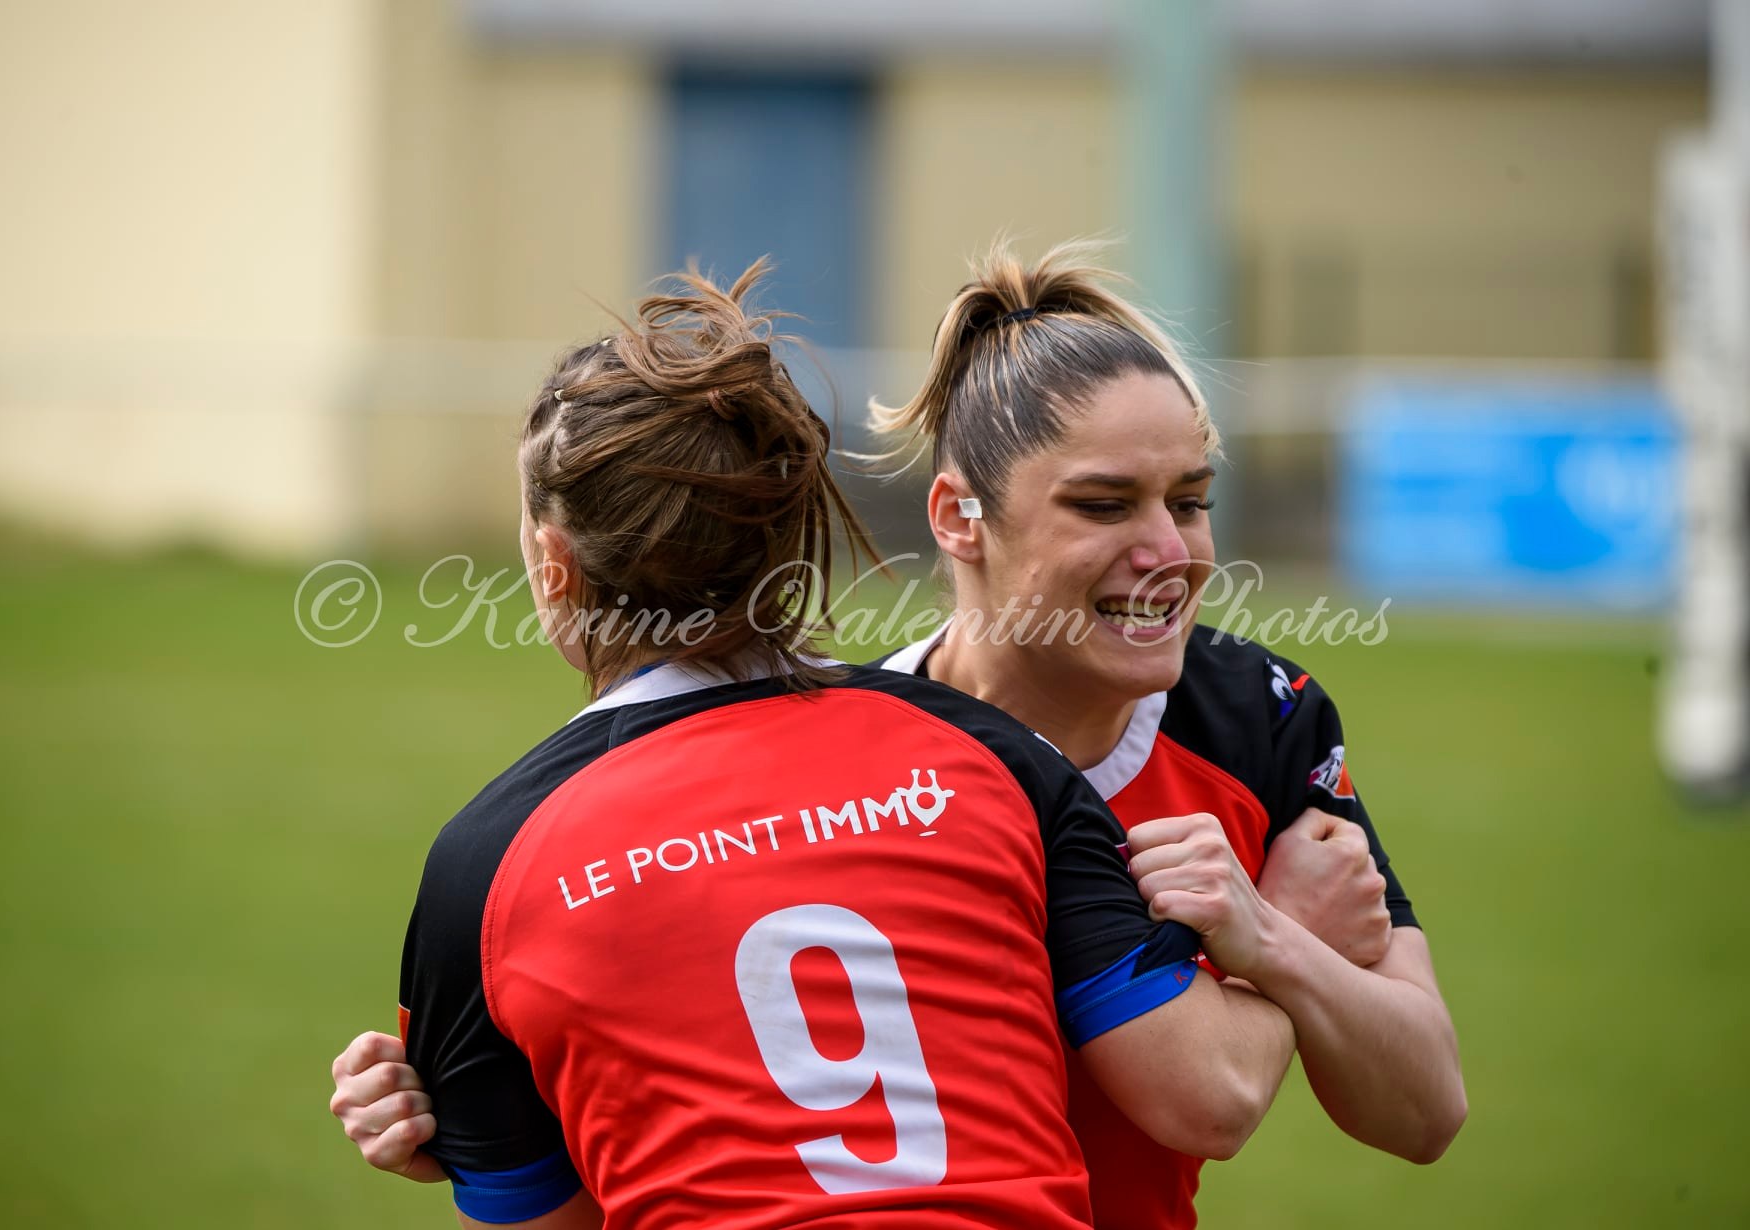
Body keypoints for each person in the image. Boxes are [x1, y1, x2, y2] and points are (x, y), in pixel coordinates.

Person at [334, 243, 1468, 1227]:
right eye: (1105, 503)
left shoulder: (1258, 715)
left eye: (1191, 498)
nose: (1169, 551)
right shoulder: (861, 754)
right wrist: (499, 1101)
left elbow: (1426, 1114)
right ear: (955, 516)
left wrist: (1278, 944)